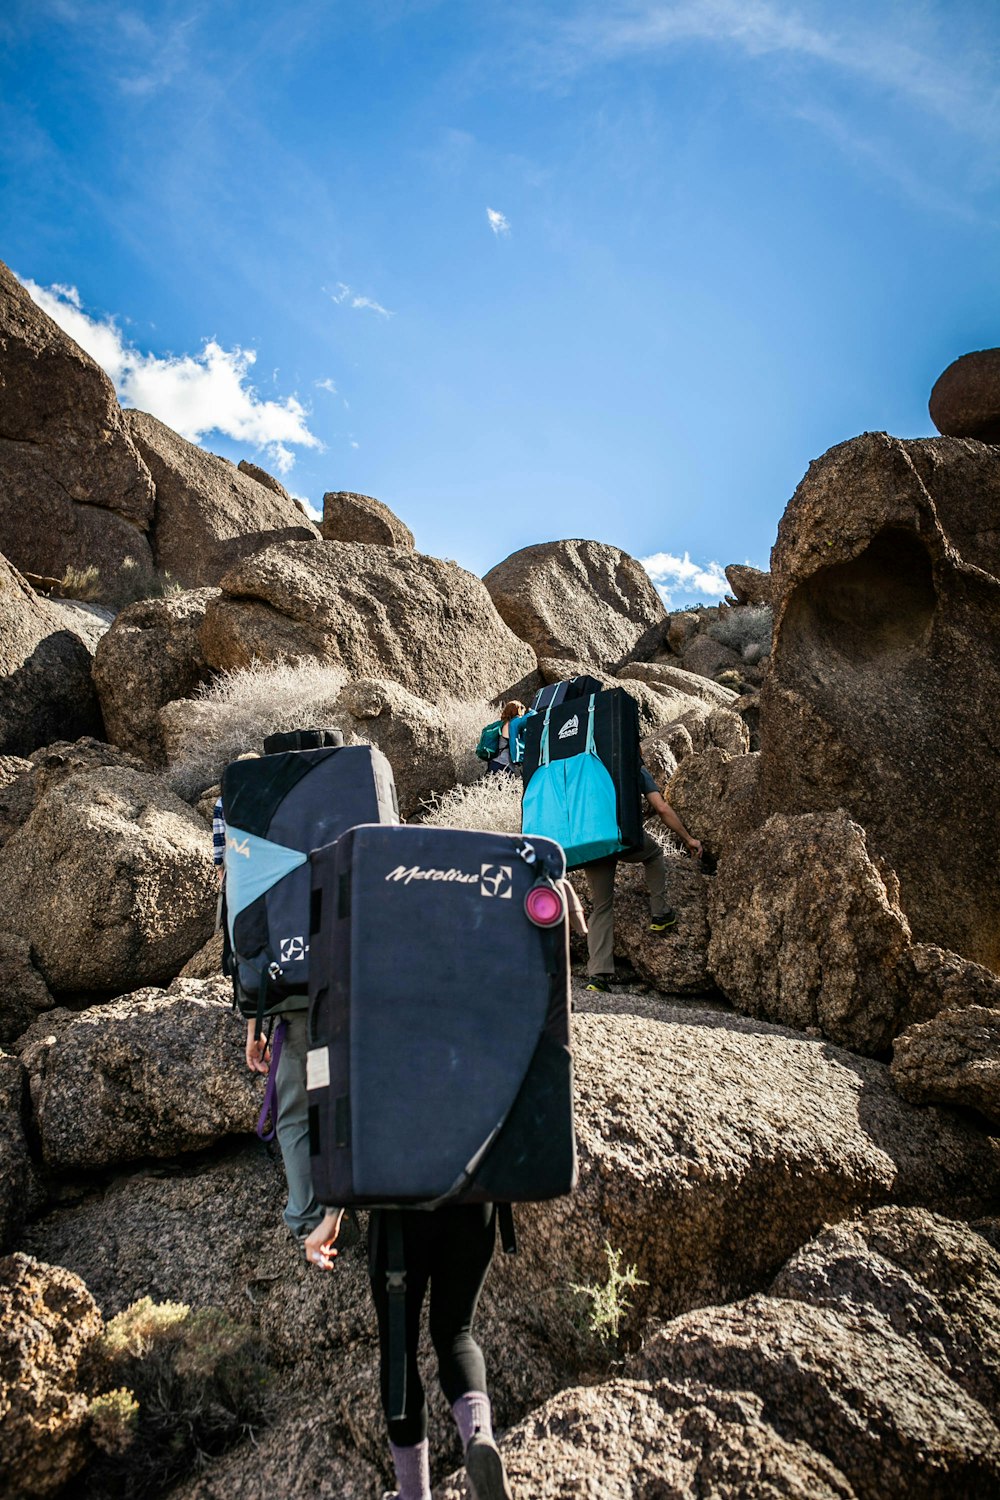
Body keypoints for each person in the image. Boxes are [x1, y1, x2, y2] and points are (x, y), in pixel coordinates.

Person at [215, 759, 357, 1251]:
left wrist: (252, 1022)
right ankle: (368, 1203)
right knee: (353, 1092)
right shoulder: (348, 788)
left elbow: (242, 905)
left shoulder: (235, 806)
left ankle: (306, 1216)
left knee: (296, 1109)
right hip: (348, 980)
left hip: (289, 991)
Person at [306, 1204, 512, 1500]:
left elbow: (353, 1154)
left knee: (398, 1349)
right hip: (474, 1201)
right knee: (456, 1335)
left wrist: (330, 1217)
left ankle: (414, 1494)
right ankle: (478, 1436)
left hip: (401, 1212)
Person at [582, 765, 702, 992]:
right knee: (654, 853)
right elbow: (661, 807)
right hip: (622, 837)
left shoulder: (589, 765)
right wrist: (688, 838)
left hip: (592, 839)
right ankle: (660, 913)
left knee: (601, 906)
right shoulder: (632, 765)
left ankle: (597, 977)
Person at [486, 701, 526, 776]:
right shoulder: (509, 726)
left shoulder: (504, 724)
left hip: (496, 763)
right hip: (502, 765)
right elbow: (514, 743)